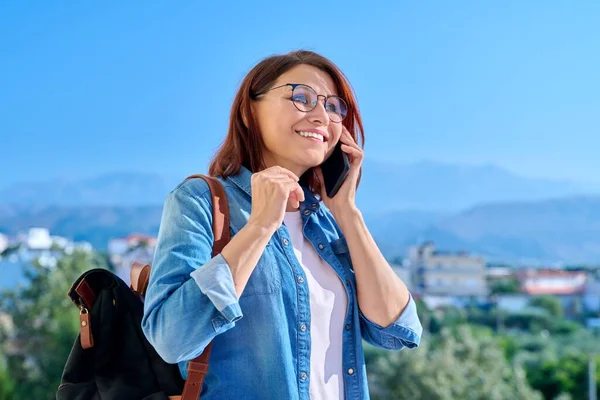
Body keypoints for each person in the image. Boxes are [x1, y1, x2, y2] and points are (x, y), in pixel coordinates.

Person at [142, 49, 422, 400]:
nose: (322, 115)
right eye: (302, 98)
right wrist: (259, 226)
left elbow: (397, 329)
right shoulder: (201, 201)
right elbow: (171, 337)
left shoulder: (328, 223)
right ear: (249, 110)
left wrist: (347, 211)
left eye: (334, 106)